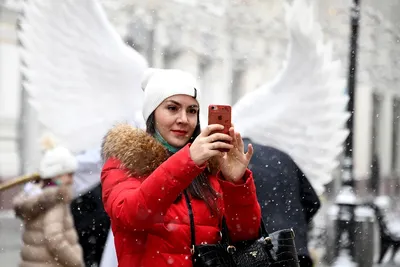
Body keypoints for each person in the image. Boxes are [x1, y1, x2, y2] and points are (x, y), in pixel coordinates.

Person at [100, 68, 261, 266]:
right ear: (152, 113)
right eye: (172, 108)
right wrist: (188, 162)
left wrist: (235, 183)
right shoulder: (125, 161)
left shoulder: (208, 167)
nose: (183, 119)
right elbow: (131, 215)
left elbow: (246, 233)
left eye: (192, 111)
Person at [243, 139, 320, 267]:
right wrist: (296, 226)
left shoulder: (235, 162)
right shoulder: (281, 157)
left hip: (260, 251)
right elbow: (312, 201)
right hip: (295, 248)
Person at [13, 142, 84, 267]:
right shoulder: (55, 199)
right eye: (69, 174)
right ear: (56, 174)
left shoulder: (35, 194)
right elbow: (54, 239)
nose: (71, 180)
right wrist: (76, 262)